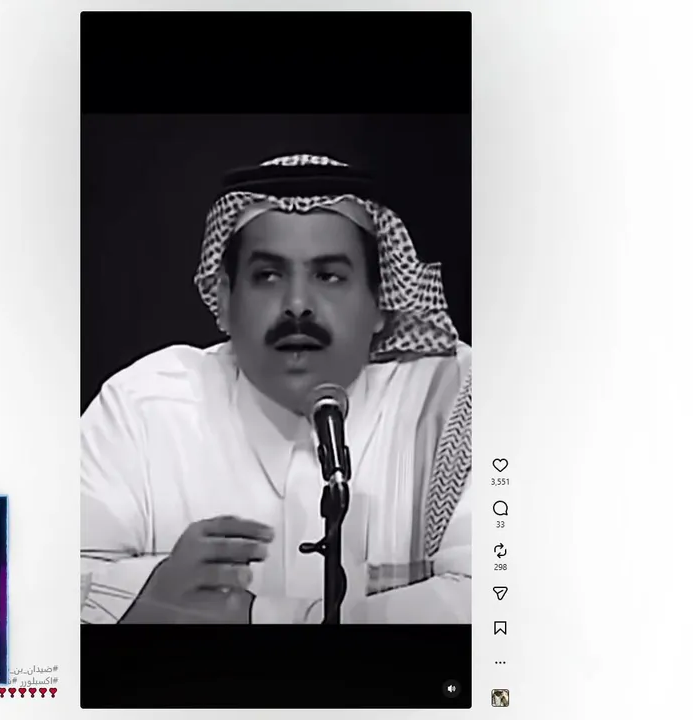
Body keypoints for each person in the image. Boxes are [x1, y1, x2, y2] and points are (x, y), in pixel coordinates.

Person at [81, 154, 471, 624]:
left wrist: (256, 617)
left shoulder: (455, 403)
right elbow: (39, 584)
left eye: (329, 276)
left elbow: (497, 600)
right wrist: (146, 602)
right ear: (224, 300)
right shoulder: (142, 410)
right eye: (268, 276)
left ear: (381, 303)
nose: (298, 305)